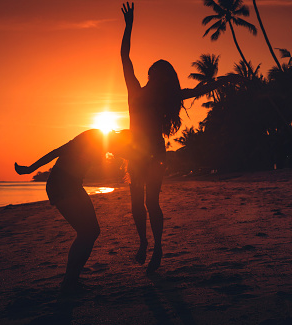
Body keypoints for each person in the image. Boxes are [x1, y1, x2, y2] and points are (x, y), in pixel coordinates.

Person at [121, 2, 242, 273]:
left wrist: (222, 81)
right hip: (135, 151)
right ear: (150, 75)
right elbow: (125, 57)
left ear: (164, 80)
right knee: (136, 203)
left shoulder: (168, 96)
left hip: (153, 151)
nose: (157, 78)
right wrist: (128, 28)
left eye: (161, 76)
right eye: (155, 73)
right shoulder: (134, 91)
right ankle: (143, 242)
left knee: (152, 202)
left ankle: (158, 247)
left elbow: (200, 89)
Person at [14, 129, 131, 293]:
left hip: (74, 185)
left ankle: (71, 281)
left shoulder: (105, 147)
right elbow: (58, 151)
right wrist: (30, 169)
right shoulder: (93, 135)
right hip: (61, 184)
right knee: (86, 232)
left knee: (92, 231)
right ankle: (69, 282)